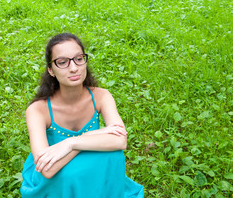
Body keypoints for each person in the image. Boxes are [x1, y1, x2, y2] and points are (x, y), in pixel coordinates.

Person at [20, 33, 144, 197]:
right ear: (51, 70)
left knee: (114, 155)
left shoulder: (101, 96)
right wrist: (90, 136)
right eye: (62, 62)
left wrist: (71, 143)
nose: (73, 68)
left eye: (79, 59)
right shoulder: (38, 110)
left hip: (88, 165)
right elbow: (47, 170)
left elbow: (120, 140)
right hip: (56, 180)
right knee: (70, 174)